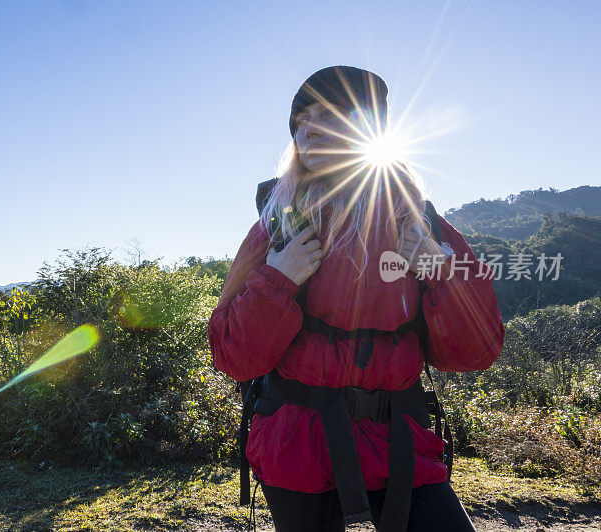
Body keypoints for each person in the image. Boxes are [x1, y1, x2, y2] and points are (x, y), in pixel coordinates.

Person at [207, 66, 505, 532]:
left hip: (402, 445)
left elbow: (476, 351)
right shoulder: (277, 228)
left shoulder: (420, 223)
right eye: (302, 119)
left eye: (327, 116)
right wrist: (277, 280)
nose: (307, 128)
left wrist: (438, 269)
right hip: (298, 450)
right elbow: (232, 356)